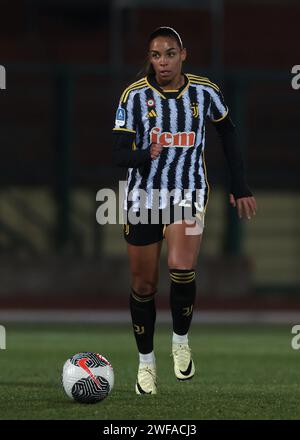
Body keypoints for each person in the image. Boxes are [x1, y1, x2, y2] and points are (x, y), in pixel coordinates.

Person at [112, 26, 257, 395]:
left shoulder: (205, 91)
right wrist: (145, 154)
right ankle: (146, 363)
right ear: (150, 59)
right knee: (144, 285)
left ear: (183, 55)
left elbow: (228, 133)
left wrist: (239, 186)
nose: (163, 61)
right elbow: (117, 154)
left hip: (187, 191)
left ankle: (180, 340)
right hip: (143, 197)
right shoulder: (133, 97)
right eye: (157, 55)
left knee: (181, 265)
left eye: (170, 53)